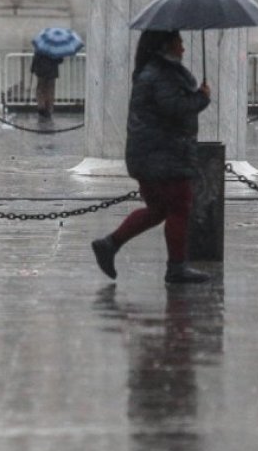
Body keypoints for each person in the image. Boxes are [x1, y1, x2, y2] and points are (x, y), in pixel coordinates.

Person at [91, 29, 213, 285]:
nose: (183, 48)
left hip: (154, 155)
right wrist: (201, 98)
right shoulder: (161, 75)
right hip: (163, 156)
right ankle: (176, 267)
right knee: (180, 207)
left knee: (158, 210)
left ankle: (109, 244)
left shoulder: (158, 72)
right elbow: (175, 109)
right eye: (179, 42)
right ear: (165, 45)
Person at [29, 49, 62, 121]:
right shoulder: (55, 47)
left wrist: (32, 68)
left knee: (40, 89)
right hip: (52, 71)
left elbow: (36, 58)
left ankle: (41, 106)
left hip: (41, 70)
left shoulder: (41, 46)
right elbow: (60, 60)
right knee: (50, 90)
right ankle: (49, 109)